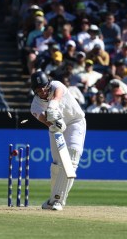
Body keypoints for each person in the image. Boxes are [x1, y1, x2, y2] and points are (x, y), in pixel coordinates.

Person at [29, 71, 86, 211]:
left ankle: (58, 200)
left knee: (71, 159)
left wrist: (52, 108)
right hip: (56, 128)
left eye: (43, 86)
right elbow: (46, 121)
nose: (42, 90)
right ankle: (53, 199)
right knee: (57, 165)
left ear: (48, 83)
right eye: (38, 89)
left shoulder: (57, 85)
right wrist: (54, 124)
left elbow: (57, 96)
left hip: (75, 122)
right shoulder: (34, 106)